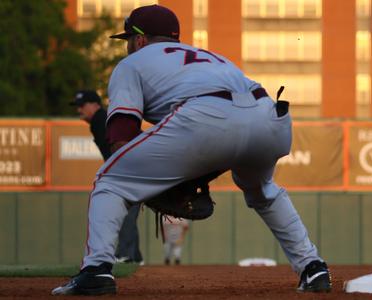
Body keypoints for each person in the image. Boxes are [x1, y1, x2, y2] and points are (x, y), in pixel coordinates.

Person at [52, 5, 330, 295]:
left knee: (109, 181)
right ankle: (313, 267)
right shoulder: (210, 58)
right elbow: (230, 131)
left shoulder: (130, 65)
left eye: (128, 41)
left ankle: (96, 269)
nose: (128, 48)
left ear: (140, 40)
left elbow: (123, 134)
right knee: (264, 191)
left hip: (208, 116)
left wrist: (143, 182)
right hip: (270, 117)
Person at [70, 90, 144, 266]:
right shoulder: (101, 119)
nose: (79, 109)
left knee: (123, 208)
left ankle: (126, 254)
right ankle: (133, 255)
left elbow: (119, 145)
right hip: (137, 163)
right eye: (77, 106)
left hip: (132, 166)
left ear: (95, 105)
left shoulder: (99, 119)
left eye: (82, 105)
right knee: (127, 209)